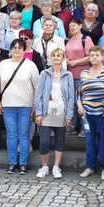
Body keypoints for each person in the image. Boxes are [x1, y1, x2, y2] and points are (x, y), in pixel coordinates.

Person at [0, 38, 40, 175]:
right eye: (14, 47)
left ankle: (23, 164)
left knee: (23, 136)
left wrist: (35, 106)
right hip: (8, 105)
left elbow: (37, 87)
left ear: (24, 50)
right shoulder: (3, 64)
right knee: (11, 136)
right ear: (11, 49)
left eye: (20, 48)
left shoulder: (30, 65)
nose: (17, 50)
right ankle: (12, 163)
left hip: (25, 105)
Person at [34, 48, 75, 179]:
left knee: (60, 140)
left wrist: (69, 115)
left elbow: (71, 97)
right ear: (50, 58)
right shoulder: (44, 74)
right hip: (46, 112)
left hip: (61, 112)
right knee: (44, 141)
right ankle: (44, 166)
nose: (56, 58)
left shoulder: (68, 75)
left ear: (63, 58)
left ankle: (56, 167)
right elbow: (38, 95)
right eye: (54, 55)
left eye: (59, 55)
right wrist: (38, 113)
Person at [77, 46, 104, 181]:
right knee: (89, 141)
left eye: (97, 55)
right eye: (91, 55)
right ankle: (90, 167)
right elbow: (79, 92)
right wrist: (79, 106)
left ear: (102, 57)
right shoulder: (84, 73)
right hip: (87, 113)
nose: (94, 57)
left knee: (103, 141)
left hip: (102, 113)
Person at [65, 18, 95, 136]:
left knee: (83, 102)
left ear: (80, 26)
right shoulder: (69, 40)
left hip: (82, 75)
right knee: (72, 101)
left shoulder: (86, 39)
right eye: (70, 26)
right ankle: (72, 126)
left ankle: (84, 128)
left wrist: (75, 63)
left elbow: (91, 57)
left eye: (74, 25)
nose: (72, 28)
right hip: (70, 76)